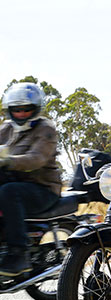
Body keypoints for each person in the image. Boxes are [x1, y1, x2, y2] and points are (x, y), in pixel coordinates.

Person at [0, 83, 62, 277]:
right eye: (16, 110)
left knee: (8, 192)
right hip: (17, 183)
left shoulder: (46, 129)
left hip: (43, 189)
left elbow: (37, 159)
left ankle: (18, 254)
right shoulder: (7, 129)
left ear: (36, 109)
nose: (21, 114)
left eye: (26, 109)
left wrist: (7, 160)